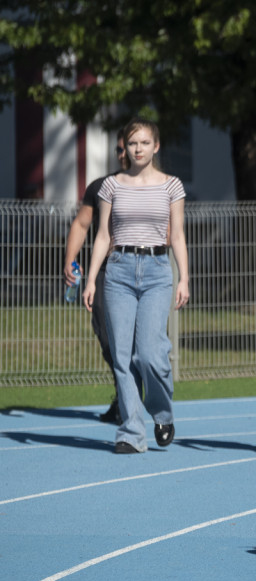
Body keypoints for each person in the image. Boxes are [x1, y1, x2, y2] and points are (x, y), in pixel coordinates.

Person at [82, 117, 189, 454]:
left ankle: (163, 412)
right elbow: (102, 236)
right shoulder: (110, 186)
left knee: (150, 354)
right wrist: (91, 280)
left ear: (155, 146)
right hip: (118, 272)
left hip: (157, 270)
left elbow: (178, 235)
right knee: (122, 356)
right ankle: (131, 432)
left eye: (144, 143)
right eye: (132, 143)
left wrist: (184, 277)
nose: (138, 148)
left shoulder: (172, 186)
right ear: (124, 148)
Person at [63, 130, 130, 424]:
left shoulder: (158, 185)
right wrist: (70, 261)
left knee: (141, 344)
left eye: (128, 147)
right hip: (104, 270)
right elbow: (81, 224)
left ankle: (141, 398)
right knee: (107, 336)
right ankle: (124, 394)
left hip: (142, 270)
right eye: (119, 150)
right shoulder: (101, 186)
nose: (124, 154)